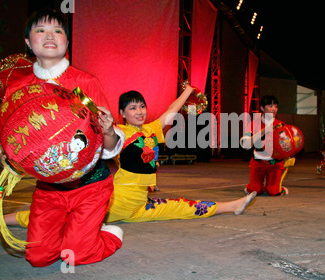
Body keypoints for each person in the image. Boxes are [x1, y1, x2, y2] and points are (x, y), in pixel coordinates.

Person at [0, 9, 125, 267]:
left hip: (91, 185)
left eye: (58, 31)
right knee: (38, 258)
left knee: (73, 255)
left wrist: (109, 131)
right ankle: (75, 231)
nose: (50, 36)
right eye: (40, 30)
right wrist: (5, 157)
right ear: (28, 43)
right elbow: (6, 141)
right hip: (48, 189)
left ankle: (110, 234)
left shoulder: (85, 81)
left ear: (67, 42)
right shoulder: (17, 88)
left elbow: (109, 148)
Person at [105, 89, 257, 222]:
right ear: (122, 113)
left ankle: (233, 206)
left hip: (140, 204)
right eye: (132, 108)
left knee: (183, 206)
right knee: (87, 218)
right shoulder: (119, 131)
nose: (139, 111)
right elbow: (109, 140)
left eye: (142, 106)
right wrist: (107, 127)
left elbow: (171, 110)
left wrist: (188, 91)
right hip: (117, 202)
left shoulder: (150, 129)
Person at [240, 95, 289, 196]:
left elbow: (287, 144)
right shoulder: (253, 124)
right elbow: (245, 145)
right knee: (255, 191)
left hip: (275, 163)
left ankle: (278, 187)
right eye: (270, 106)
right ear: (262, 108)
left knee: (273, 192)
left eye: (276, 106)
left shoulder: (281, 125)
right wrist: (262, 132)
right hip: (258, 163)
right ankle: (254, 186)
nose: (274, 109)